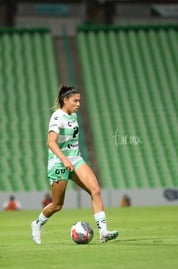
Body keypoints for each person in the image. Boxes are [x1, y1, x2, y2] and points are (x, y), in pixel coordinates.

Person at [31, 85, 118, 244]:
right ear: (65, 100)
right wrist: (64, 160)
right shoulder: (57, 117)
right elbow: (51, 142)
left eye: (79, 101)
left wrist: (70, 159)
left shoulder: (73, 116)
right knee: (57, 205)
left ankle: (103, 232)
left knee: (95, 190)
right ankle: (37, 224)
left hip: (75, 160)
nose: (78, 104)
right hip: (59, 163)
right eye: (75, 101)